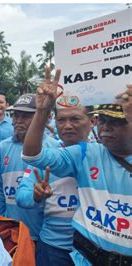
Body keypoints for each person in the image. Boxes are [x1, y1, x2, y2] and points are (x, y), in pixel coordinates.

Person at [22, 67, 132, 264]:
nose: (106, 127)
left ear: (90, 122)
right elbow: (32, 156)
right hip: (79, 256)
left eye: (117, 121)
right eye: (104, 120)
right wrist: (42, 110)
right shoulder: (85, 153)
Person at [16, 103, 95, 266]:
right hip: (53, 248)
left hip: (94, 251)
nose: (67, 125)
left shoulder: (103, 155)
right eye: (61, 120)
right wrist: (36, 195)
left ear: (92, 121)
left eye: (75, 119)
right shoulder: (43, 156)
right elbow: (21, 197)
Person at [0, 93, 59, 243]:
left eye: (26, 116)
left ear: (42, 117)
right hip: (11, 231)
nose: (19, 121)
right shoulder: (2, 147)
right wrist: (3, 220)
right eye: (16, 116)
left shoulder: (55, 148)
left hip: (42, 235)